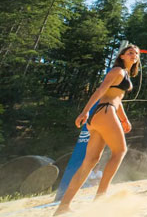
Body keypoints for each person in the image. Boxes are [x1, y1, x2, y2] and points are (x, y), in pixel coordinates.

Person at [54, 43, 140, 215]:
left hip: (103, 115)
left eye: (136, 54)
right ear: (122, 55)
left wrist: (124, 119)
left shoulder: (125, 74)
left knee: (91, 161)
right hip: (105, 112)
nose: (134, 55)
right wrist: (85, 111)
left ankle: (63, 207)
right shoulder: (117, 71)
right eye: (130, 52)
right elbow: (101, 90)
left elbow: (117, 97)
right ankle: (100, 198)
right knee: (120, 151)